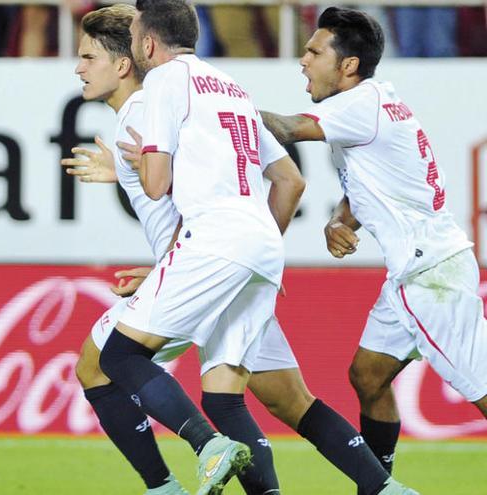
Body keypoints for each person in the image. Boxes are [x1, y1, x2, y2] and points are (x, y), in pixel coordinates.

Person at [63, 4, 417, 495]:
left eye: (87, 56)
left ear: (134, 55)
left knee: (105, 361)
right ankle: (387, 489)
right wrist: (249, 252)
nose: (77, 67)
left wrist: (172, 259)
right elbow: (289, 180)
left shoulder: (154, 98)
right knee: (275, 400)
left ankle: (179, 471)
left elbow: (162, 186)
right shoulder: (226, 88)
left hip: (207, 252)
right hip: (251, 250)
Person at [259, 5, 487, 487]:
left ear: (348, 66)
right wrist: (339, 221)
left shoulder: (358, 104)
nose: (303, 60)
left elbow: (289, 128)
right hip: (420, 269)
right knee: (367, 375)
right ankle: (378, 486)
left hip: (430, 277)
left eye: (314, 51)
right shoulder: (374, 104)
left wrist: (217, 106)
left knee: (483, 390)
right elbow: (376, 186)